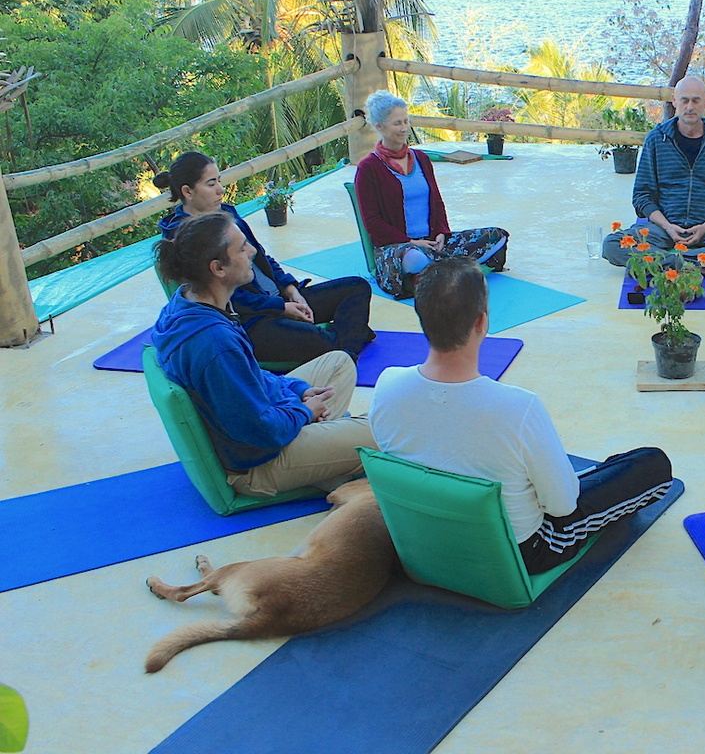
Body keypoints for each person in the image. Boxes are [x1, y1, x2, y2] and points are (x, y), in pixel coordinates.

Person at [370, 257, 673, 573]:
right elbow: (563, 506)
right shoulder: (517, 407)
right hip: (520, 552)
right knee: (651, 464)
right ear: (481, 322)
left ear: (420, 316)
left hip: (425, 539)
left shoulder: (387, 385)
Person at [151, 212, 376, 497]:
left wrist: (298, 390)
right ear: (218, 268)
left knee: (339, 362)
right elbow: (261, 430)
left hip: (264, 425)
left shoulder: (188, 300)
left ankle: (331, 460)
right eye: (242, 247)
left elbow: (252, 376)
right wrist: (304, 412)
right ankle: (333, 461)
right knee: (383, 430)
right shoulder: (215, 343)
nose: (253, 251)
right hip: (259, 463)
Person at [156, 151, 373, 363]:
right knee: (323, 340)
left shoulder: (228, 214)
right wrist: (280, 308)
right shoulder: (188, 239)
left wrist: (291, 290)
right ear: (187, 191)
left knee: (357, 287)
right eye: (211, 184)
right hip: (253, 319)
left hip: (277, 298)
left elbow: (260, 255)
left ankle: (342, 344)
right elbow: (229, 298)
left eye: (219, 181)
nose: (220, 190)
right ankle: (346, 343)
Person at [600, 75, 705, 279]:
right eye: (684, 100)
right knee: (611, 246)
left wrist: (704, 228)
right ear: (674, 102)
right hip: (661, 230)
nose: (690, 107)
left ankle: (666, 262)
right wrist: (668, 227)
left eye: (696, 100)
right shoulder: (657, 139)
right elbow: (642, 197)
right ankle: (700, 266)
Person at [354, 90, 510, 298]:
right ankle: (446, 271)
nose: (404, 128)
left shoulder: (420, 159)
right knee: (415, 260)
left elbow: (436, 203)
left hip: (433, 243)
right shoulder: (368, 168)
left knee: (497, 236)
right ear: (380, 126)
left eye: (405, 121)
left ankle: (436, 274)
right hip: (401, 248)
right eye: (397, 123)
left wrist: (441, 233)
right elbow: (372, 222)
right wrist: (410, 241)